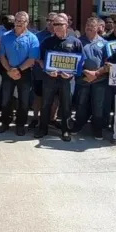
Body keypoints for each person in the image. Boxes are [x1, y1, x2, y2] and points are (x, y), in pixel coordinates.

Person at [36, 13, 82, 141]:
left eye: (60, 24)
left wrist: (71, 73)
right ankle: (42, 129)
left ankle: (65, 131)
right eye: (54, 24)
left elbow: (80, 62)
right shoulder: (47, 41)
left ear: (67, 25)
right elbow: (39, 60)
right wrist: (46, 70)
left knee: (66, 105)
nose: (56, 26)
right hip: (50, 78)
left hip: (67, 79)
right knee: (46, 104)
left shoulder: (75, 42)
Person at [0, 11, 39, 136]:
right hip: (8, 71)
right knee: (5, 99)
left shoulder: (32, 38)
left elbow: (32, 59)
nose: (19, 23)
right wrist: (10, 70)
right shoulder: (5, 36)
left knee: (23, 100)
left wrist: (18, 70)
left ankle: (20, 124)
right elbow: (2, 56)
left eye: (22, 21)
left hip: (24, 73)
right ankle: (5, 122)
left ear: (27, 23)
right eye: (17, 21)